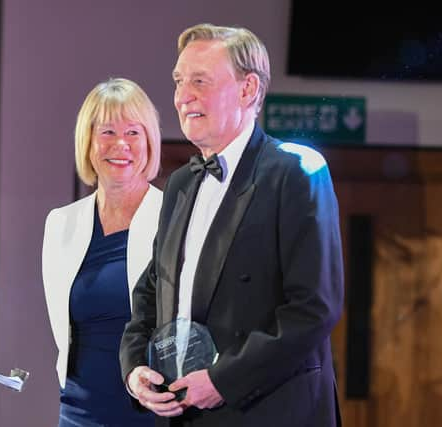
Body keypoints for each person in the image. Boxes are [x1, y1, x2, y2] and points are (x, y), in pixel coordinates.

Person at [120, 24, 344, 426]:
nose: (182, 96)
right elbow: (153, 290)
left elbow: (313, 308)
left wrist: (225, 379)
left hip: (266, 410)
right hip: (184, 413)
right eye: (179, 82)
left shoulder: (295, 172)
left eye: (200, 82)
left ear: (247, 90)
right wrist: (135, 367)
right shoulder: (180, 183)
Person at [42, 78, 161, 426]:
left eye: (133, 133)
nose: (120, 144)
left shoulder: (175, 218)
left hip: (154, 411)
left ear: (150, 141)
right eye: (107, 131)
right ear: (88, 142)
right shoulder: (60, 223)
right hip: (79, 412)